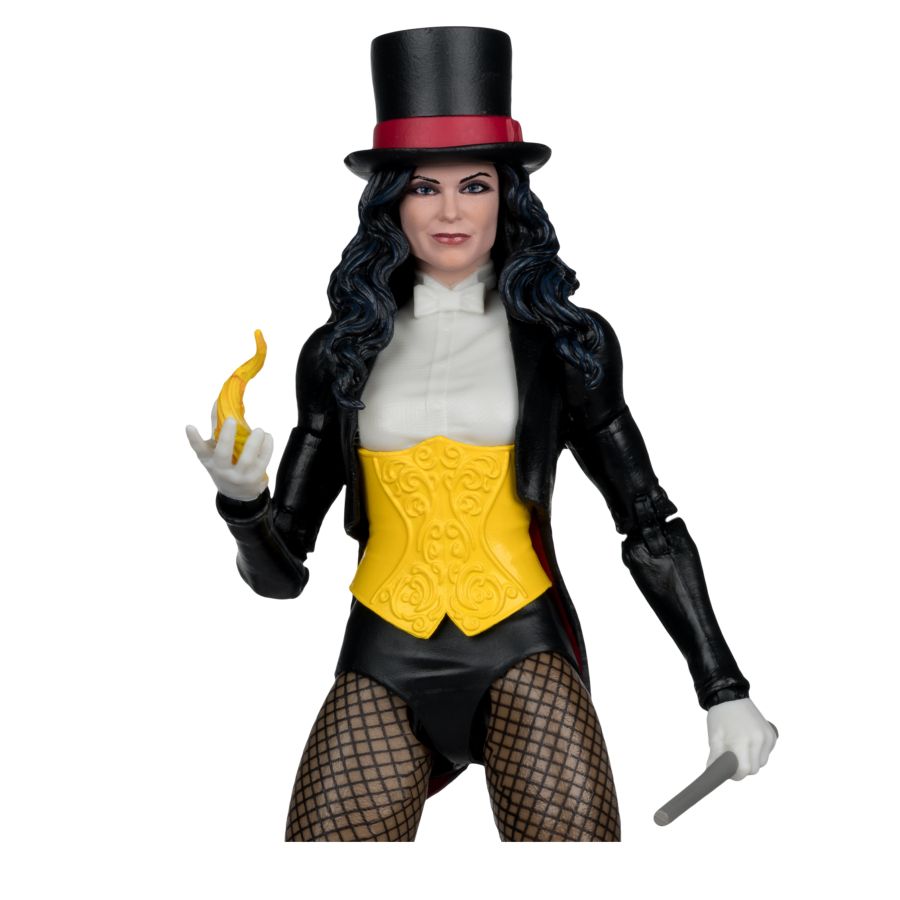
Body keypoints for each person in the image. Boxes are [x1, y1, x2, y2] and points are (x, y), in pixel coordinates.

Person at [186, 26, 776, 842]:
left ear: (509, 197)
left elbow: (647, 524)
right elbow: (281, 578)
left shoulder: (568, 343)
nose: (451, 211)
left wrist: (723, 689)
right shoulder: (338, 353)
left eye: (475, 184)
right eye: (424, 187)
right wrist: (243, 504)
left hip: (523, 647)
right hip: (384, 653)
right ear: (390, 201)